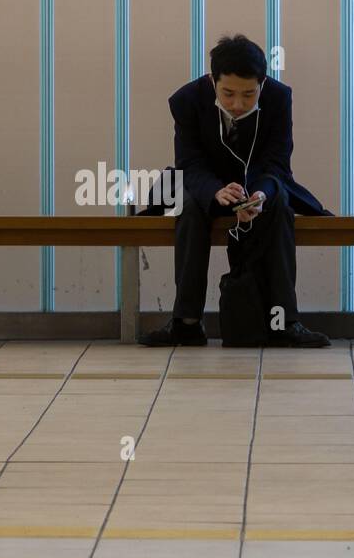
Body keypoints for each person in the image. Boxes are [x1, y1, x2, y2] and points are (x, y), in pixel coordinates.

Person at [138, 34, 331, 348]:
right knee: (188, 208)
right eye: (227, 94)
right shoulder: (186, 100)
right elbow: (189, 163)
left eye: (248, 94)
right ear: (213, 80)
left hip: (261, 186)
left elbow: (277, 164)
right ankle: (186, 322)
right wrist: (216, 192)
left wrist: (259, 195)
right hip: (205, 185)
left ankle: (284, 322)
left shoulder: (279, 98)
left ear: (262, 84)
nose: (238, 104)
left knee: (280, 204)